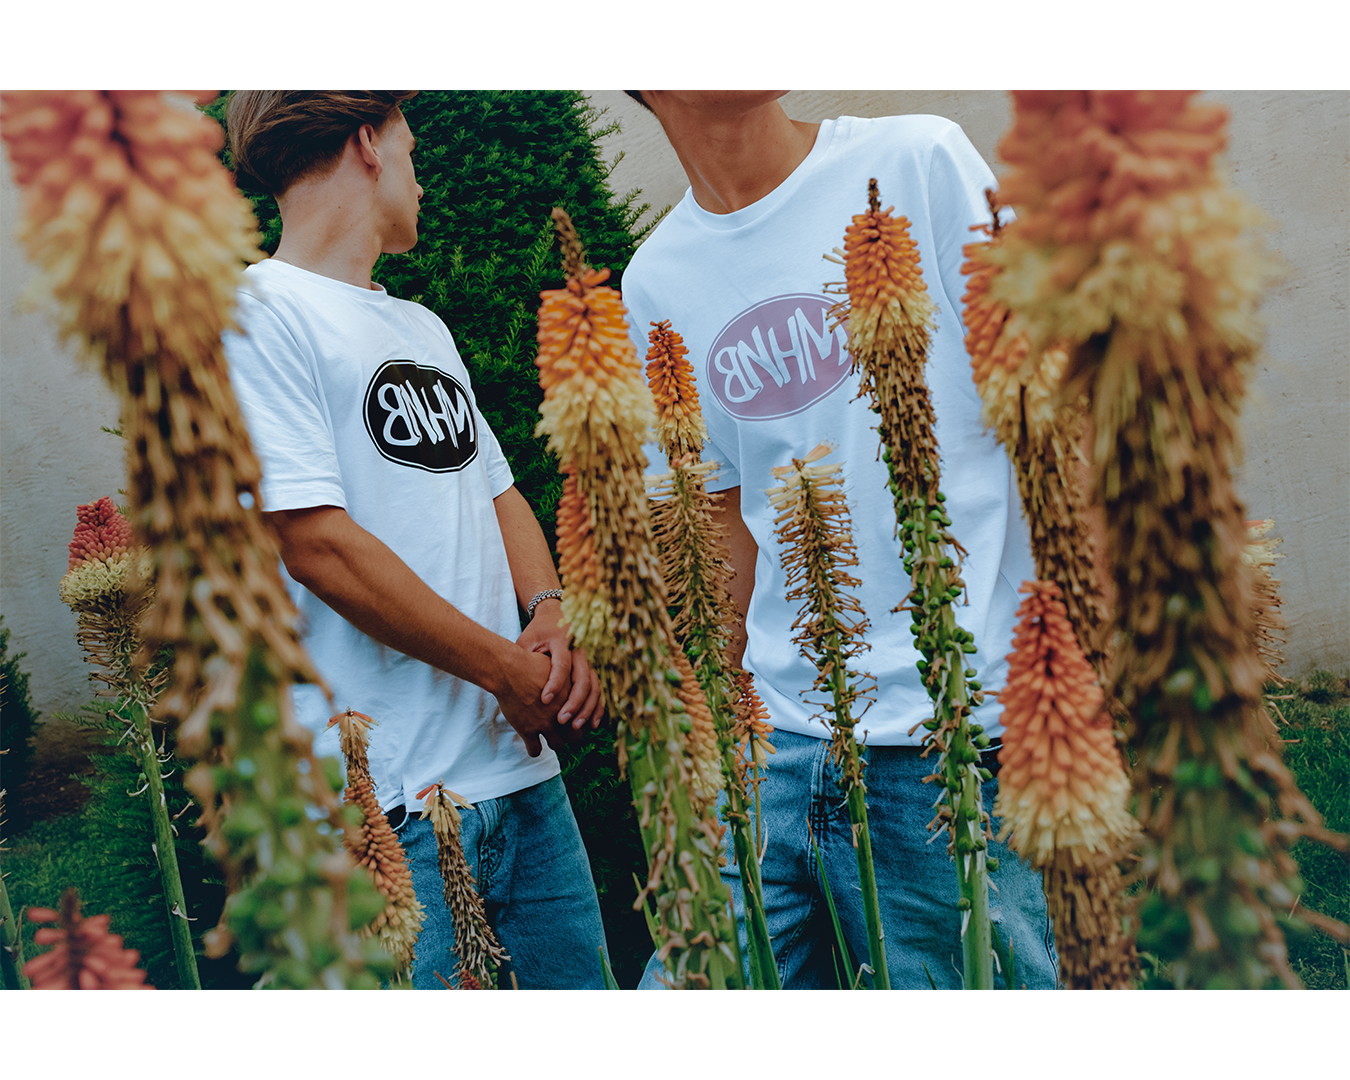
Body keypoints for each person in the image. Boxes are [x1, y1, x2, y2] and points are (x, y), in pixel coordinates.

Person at [621, 91, 1058, 989]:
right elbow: (716, 516)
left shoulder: (921, 162)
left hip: (949, 736)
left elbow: (1051, 412)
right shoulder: (657, 278)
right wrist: (712, 739)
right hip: (773, 749)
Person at [220, 91, 607, 989]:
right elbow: (316, 544)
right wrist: (505, 670)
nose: (421, 181)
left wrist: (549, 614)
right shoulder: (257, 312)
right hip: (387, 816)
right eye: (412, 150)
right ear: (367, 143)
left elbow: (497, 490)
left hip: (518, 777)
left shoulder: (420, 325)